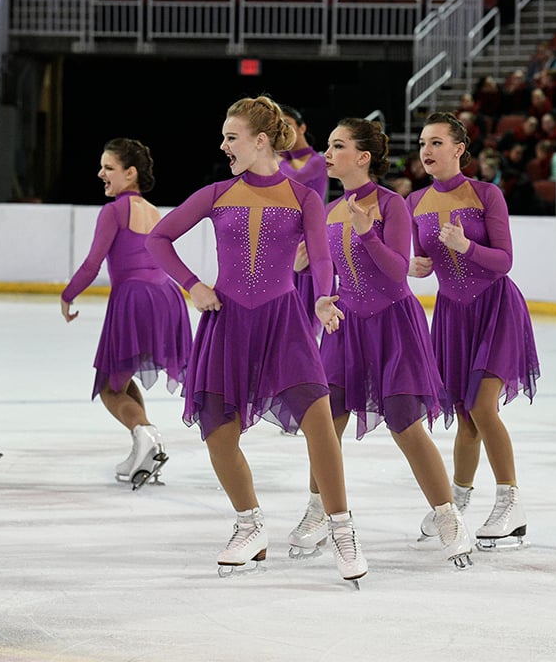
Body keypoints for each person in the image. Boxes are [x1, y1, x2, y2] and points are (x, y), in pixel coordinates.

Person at [145, 95, 368, 583]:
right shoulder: (215, 194)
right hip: (227, 323)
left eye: (231, 137)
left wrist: (325, 298)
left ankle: (342, 529)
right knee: (218, 432)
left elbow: (323, 258)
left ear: (260, 140)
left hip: (284, 322)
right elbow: (157, 239)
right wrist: (194, 285)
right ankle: (250, 526)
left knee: (320, 424)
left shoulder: (305, 197)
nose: (224, 145)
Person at [287, 118, 473, 567]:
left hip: (393, 324)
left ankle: (447, 514)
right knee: (325, 420)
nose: (327, 154)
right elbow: (320, 274)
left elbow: (395, 271)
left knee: (405, 424)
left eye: (338, 146)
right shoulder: (328, 210)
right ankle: (319, 509)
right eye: (328, 146)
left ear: (363, 157)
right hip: (346, 326)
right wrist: (321, 303)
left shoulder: (391, 205)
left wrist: (366, 229)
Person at [407, 112, 540, 550]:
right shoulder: (415, 204)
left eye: (437, 143)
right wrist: (415, 266)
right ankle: (457, 501)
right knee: (465, 413)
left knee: (483, 407)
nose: (427, 151)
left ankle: (510, 501)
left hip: (496, 308)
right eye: (424, 143)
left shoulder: (486, 194)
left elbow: (504, 261)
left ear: (459, 149)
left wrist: (467, 246)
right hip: (452, 314)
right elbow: (425, 265)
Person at [60, 138, 192, 488]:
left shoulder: (114, 211)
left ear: (130, 173)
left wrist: (68, 294)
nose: (101, 173)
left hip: (134, 298)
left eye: (109, 167)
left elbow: (92, 264)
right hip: (166, 296)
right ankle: (143, 450)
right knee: (123, 376)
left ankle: (145, 434)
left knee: (108, 386)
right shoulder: (152, 211)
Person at [278, 104, 332, 338]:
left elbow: (297, 177)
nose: (284, 132)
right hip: (282, 242)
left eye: (288, 125)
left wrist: (275, 157)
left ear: (302, 127)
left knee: (306, 321)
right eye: (279, 128)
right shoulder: (279, 163)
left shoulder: (318, 161)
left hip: (308, 240)